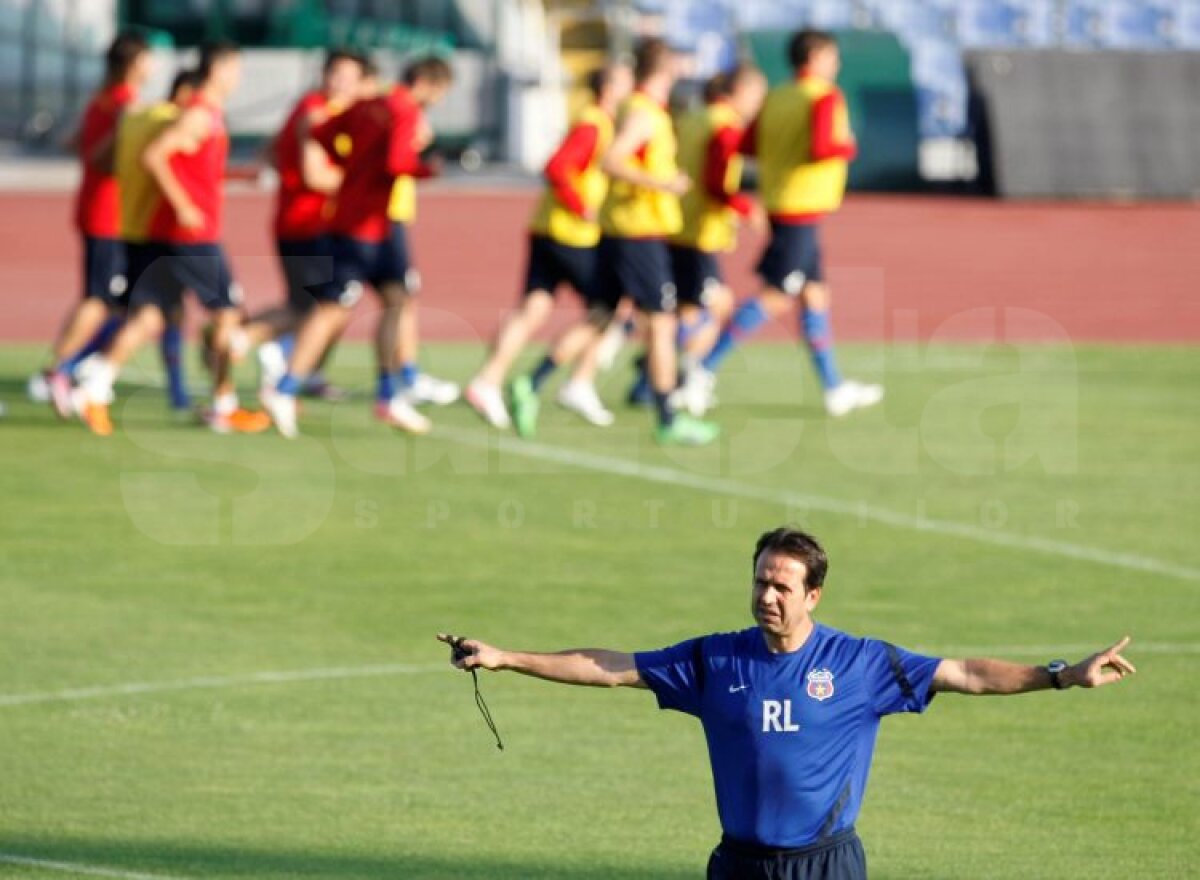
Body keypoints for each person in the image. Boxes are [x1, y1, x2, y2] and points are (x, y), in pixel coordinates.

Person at [439, 526, 1136, 880]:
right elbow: (613, 667)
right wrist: (508, 657)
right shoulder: (717, 659)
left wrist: (1062, 674)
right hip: (738, 864)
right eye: (760, 582)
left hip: (824, 864)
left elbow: (968, 674)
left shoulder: (861, 664)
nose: (767, 595)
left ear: (813, 596)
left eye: (782, 585)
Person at [74, 40, 269, 436]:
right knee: (227, 316)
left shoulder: (201, 114)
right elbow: (155, 156)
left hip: (164, 235)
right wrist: (183, 205)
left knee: (148, 317)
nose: (238, 78)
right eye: (235, 69)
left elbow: (192, 168)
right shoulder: (199, 115)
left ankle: (95, 387)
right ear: (219, 70)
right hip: (191, 237)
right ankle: (223, 404)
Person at [261, 56, 454, 438]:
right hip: (363, 227)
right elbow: (398, 162)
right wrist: (427, 168)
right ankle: (285, 388)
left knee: (398, 299)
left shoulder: (368, 106)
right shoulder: (401, 109)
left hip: (365, 222)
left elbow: (322, 134)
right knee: (334, 308)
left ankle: (391, 393)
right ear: (428, 85)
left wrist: (354, 164)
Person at [694, 30, 883, 418]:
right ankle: (701, 370)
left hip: (783, 202)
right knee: (777, 294)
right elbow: (822, 146)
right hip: (801, 206)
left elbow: (748, 146)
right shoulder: (825, 97)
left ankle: (834, 387)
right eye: (832, 56)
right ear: (814, 56)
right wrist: (848, 145)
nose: (838, 64)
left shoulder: (777, 96)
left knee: (815, 296)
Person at [464, 62, 633, 435]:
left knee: (534, 307)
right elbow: (557, 167)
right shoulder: (594, 124)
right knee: (610, 307)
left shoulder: (597, 121)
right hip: (571, 233)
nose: (630, 89)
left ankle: (487, 381)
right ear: (607, 89)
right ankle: (577, 382)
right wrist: (582, 206)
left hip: (547, 228)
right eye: (624, 81)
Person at [583, 37, 719, 446]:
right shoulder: (643, 113)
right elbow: (612, 160)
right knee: (659, 323)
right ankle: (667, 415)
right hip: (638, 231)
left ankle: (533, 382)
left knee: (609, 315)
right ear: (667, 68)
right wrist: (663, 183)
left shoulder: (645, 109)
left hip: (637, 229)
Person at [230, 48, 367, 398]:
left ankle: (307, 369)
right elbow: (314, 174)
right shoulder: (316, 112)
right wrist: (364, 183)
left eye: (349, 77)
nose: (342, 83)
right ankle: (249, 338)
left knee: (332, 304)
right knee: (319, 307)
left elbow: (271, 150)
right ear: (324, 74)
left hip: (313, 223)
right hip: (307, 224)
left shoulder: (320, 109)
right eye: (336, 74)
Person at [37, 31, 152, 418]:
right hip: (109, 213)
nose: (152, 67)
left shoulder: (100, 99)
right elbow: (101, 156)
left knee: (112, 300)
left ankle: (69, 366)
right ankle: (58, 370)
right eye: (148, 59)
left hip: (95, 205)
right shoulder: (124, 103)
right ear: (134, 64)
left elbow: (72, 142)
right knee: (100, 299)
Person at [666, 64, 767, 417]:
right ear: (739, 92)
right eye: (756, 96)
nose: (758, 105)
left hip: (677, 221)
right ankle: (682, 375)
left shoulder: (695, 117)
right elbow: (715, 182)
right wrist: (745, 208)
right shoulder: (725, 125)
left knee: (689, 307)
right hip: (698, 230)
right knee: (717, 305)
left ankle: (661, 372)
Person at [112, 67, 205, 414]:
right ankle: (78, 371)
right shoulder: (172, 121)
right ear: (184, 93)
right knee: (147, 314)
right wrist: (184, 205)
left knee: (159, 311)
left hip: (131, 225)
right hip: (157, 230)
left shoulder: (138, 114)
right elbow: (160, 160)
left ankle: (177, 391)